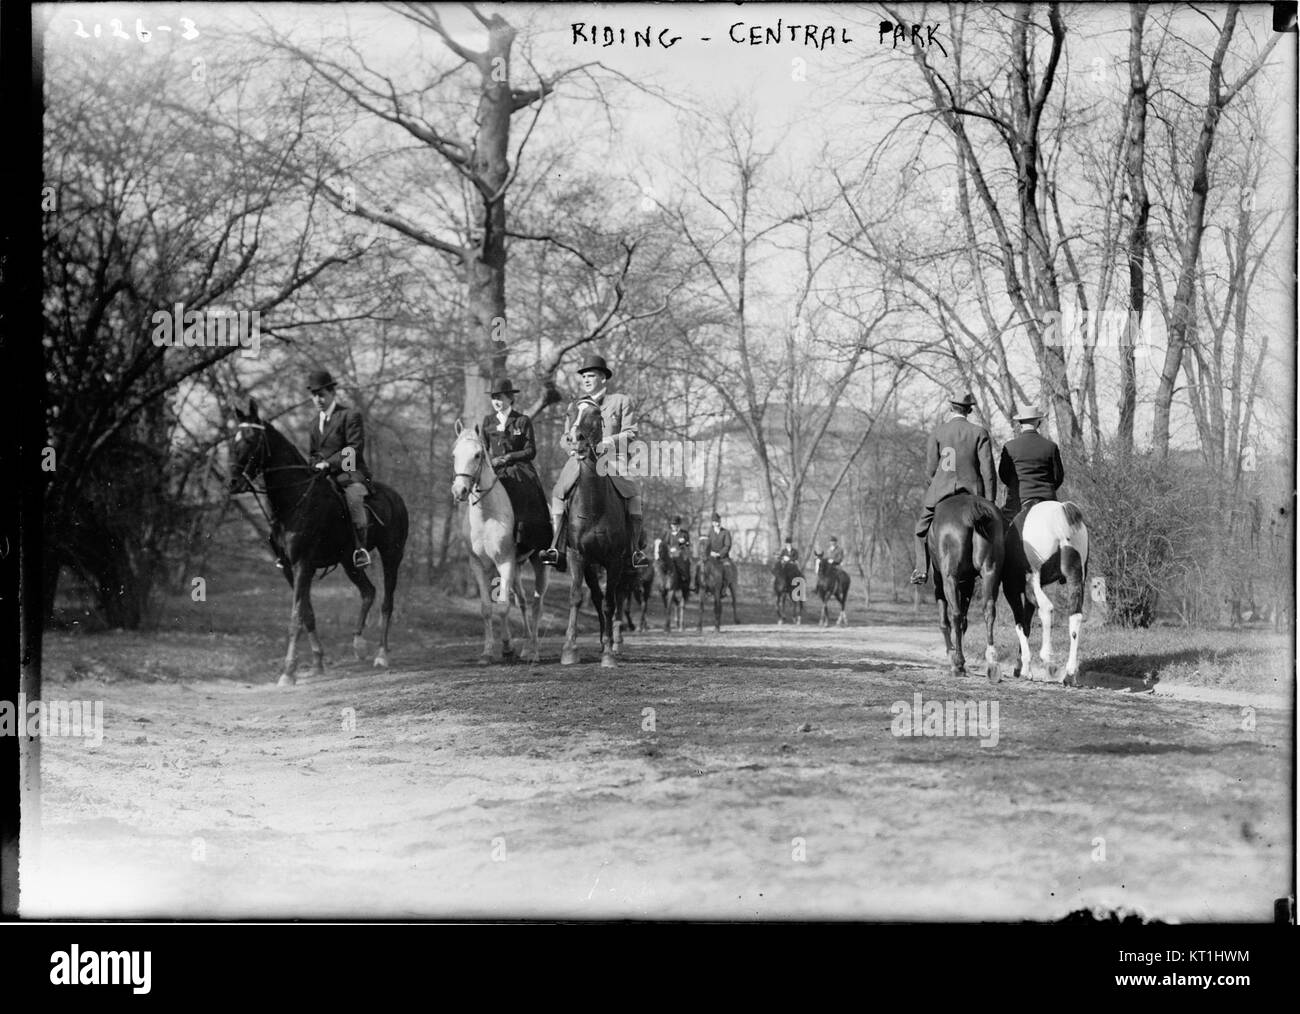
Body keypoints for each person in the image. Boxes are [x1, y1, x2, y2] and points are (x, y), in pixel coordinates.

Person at [541, 354, 649, 568]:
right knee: (558, 492)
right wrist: (571, 447)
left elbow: (631, 432)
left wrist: (609, 441)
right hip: (581, 457)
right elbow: (565, 436)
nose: (587, 380)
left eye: (591, 375)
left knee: (633, 491)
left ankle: (634, 550)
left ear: (603, 378)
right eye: (584, 376)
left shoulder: (620, 401)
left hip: (612, 457)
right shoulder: (576, 406)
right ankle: (556, 546)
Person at [911, 390, 997, 585]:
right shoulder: (979, 433)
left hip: (941, 492)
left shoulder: (938, 433)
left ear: (951, 407)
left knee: (920, 530)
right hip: (973, 494)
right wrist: (989, 502)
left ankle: (921, 571)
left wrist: (936, 483)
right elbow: (988, 471)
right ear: (970, 410)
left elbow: (931, 470)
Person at [307, 369, 374, 568]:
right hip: (322, 475)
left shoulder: (349, 415)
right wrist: (313, 466)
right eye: (314, 395)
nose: (318, 399)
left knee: (353, 498)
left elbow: (354, 449)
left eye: (321, 395)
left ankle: (360, 549)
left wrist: (329, 463)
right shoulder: (313, 424)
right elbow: (312, 454)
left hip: (349, 473)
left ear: (332, 393)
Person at [481, 378, 551, 551]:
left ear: (510, 398)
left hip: (518, 468)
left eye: (501, 397)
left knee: (523, 490)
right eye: (494, 398)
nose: (497, 402)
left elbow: (530, 451)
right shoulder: (488, 421)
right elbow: (483, 449)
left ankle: (524, 536)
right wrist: (491, 461)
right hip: (496, 469)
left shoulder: (522, 421)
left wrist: (509, 457)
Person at [997, 407, 1064, 528]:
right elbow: (1058, 477)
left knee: (998, 526)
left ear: (1020, 423)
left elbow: (1003, 475)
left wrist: (1014, 486)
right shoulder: (1051, 446)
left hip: (1018, 501)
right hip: (1048, 499)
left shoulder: (1010, 447)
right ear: (1038, 422)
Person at [695, 512, 731, 592]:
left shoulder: (726, 532)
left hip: (723, 557)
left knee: (727, 568)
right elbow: (708, 544)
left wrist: (719, 554)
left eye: (717, 522)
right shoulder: (710, 532)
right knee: (699, 565)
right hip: (711, 556)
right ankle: (697, 585)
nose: (716, 523)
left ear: (720, 522)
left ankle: (725, 587)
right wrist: (708, 553)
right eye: (714, 522)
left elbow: (727, 545)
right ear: (712, 523)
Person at [661, 514, 694, 587]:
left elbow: (688, 544)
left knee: (682, 563)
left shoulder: (684, 533)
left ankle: (684, 577)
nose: (672, 526)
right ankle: (662, 581)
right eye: (672, 524)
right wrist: (669, 549)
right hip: (670, 554)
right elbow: (665, 544)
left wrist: (684, 542)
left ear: (678, 525)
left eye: (674, 524)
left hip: (680, 554)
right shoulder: (668, 533)